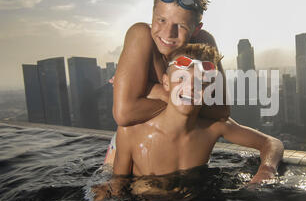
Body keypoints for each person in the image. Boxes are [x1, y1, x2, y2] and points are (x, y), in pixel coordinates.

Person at [104, 0, 229, 166]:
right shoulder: (141, 35)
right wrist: (181, 98)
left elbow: (220, 111)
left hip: (183, 146)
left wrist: (151, 90)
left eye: (180, 26)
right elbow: (124, 114)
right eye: (161, 20)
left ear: (196, 29)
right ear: (152, 15)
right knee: (110, 193)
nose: (167, 33)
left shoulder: (204, 42)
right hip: (135, 143)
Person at [114, 43, 284, 183]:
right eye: (182, 78)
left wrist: (266, 171)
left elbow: (272, 143)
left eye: (201, 83)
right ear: (166, 83)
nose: (191, 87)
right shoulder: (131, 132)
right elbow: (115, 187)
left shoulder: (213, 127)